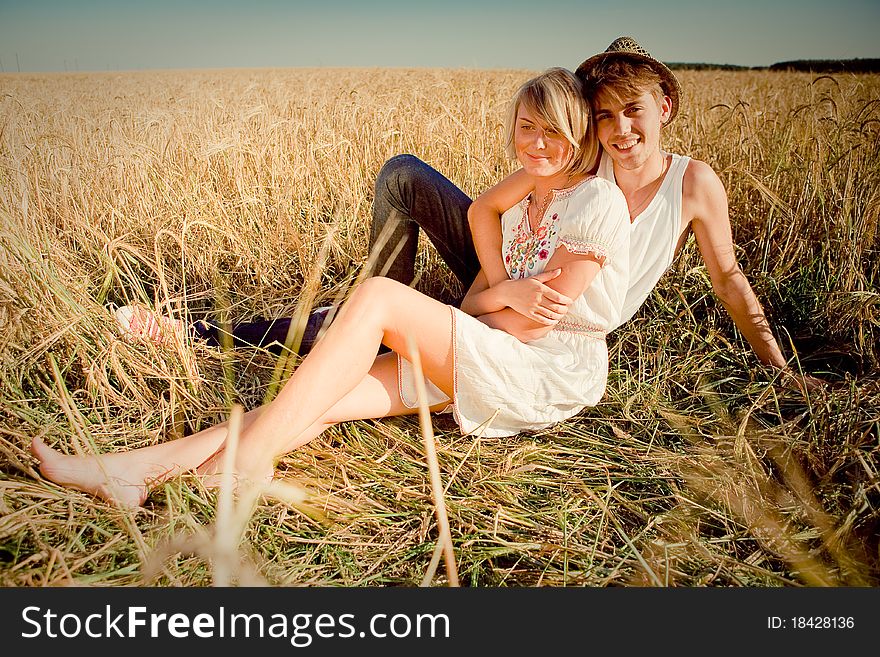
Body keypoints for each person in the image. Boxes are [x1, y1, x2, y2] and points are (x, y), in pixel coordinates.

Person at [31, 67, 631, 507]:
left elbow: (528, 325)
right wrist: (501, 290)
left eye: (553, 132)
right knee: (311, 401)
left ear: (579, 133)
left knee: (378, 298)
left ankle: (238, 467)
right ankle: (131, 473)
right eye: (526, 128)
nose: (535, 144)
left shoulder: (596, 202)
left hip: (542, 374)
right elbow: (482, 295)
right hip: (490, 348)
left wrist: (477, 310)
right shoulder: (529, 191)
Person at [116, 37, 818, 392]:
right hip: (508, 284)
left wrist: (781, 371)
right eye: (604, 115)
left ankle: (218, 333)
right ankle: (331, 318)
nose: (619, 129)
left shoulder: (694, 184)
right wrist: (494, 280)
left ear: (664, 104)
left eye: (633, 111)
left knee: (396, 326)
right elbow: (487, 207)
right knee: (404, 177)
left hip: (559, 328)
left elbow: (728, 280)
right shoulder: (582, 158)